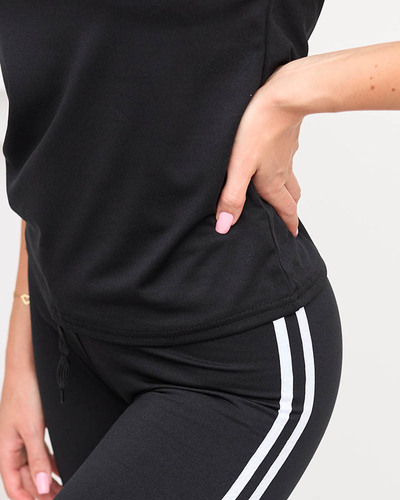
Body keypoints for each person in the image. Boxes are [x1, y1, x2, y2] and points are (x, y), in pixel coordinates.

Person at [0, 0, 397, 497]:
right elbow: (66, 111)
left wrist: (294, 92)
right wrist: (22, 342)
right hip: (67, 344)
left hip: (223, 363)